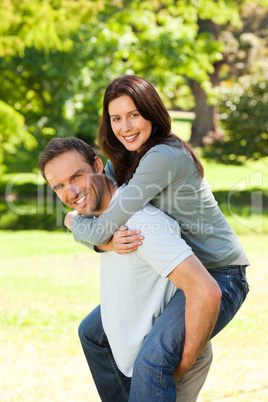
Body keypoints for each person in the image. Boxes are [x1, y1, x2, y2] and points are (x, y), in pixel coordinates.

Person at [65, 76, 250, 399]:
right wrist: (93, 235)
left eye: (134, 114)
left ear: (151, 112)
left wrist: (77, 226)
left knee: (153, 360)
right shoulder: (122, 158)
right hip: (177, 274)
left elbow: (101, 223)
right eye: (116, 118)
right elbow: (97, 218)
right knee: (94, 333)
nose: (125, 127)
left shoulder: (163, 156)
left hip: (220, 275)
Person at [38, 137, 218, 402]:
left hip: (160, 360)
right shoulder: (100, 218)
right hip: (132, 355)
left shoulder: (141, 225)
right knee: (91, 333)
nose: (71, 192)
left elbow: (205, 291)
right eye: (59, 186)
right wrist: (105, 244)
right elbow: (73, 220)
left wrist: (185, 359)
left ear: (98, 165)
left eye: (77, 176)